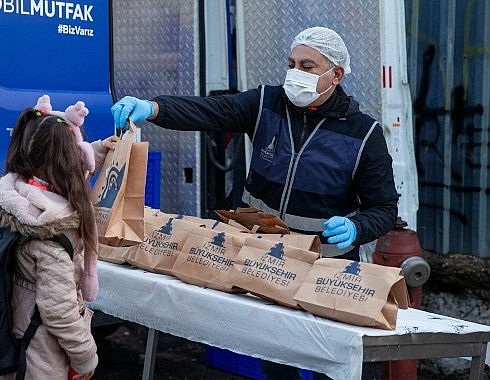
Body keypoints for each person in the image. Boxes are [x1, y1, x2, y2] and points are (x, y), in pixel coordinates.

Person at [111, 26, 398, 379]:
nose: (295, 73)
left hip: (325, 270)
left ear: (336, 74)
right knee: (275, 357)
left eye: (307, 66)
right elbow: (210, 111)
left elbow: (384, 209)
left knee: (328, 362)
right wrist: (154, 108)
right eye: (291, 63)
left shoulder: (363, 134)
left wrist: (357, 228)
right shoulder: (266, 104)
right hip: (267, 261)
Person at [0, 95, 118, 380]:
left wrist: (98, 149)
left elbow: (65, 167)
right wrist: (86, 358)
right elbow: (59, 313)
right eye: (79, 153)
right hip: (40, 357)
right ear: (68, 164)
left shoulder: (22, 188)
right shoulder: (51, 238)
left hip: (22, 331)